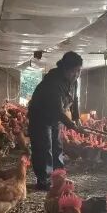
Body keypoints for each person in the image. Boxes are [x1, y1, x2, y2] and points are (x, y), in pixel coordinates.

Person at [27, 51, 84, 190]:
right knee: (44, 148)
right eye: (74, 71)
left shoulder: (73, 81)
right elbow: (57, 110)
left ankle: (59, 176)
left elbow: (75, 99)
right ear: (65, 68)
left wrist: (77, 118)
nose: (77, 74)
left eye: (79, 71)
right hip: (40, 117)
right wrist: (72, 126)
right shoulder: (53, 82)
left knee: (57, 146)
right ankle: (44, 181)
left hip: (55, 117)